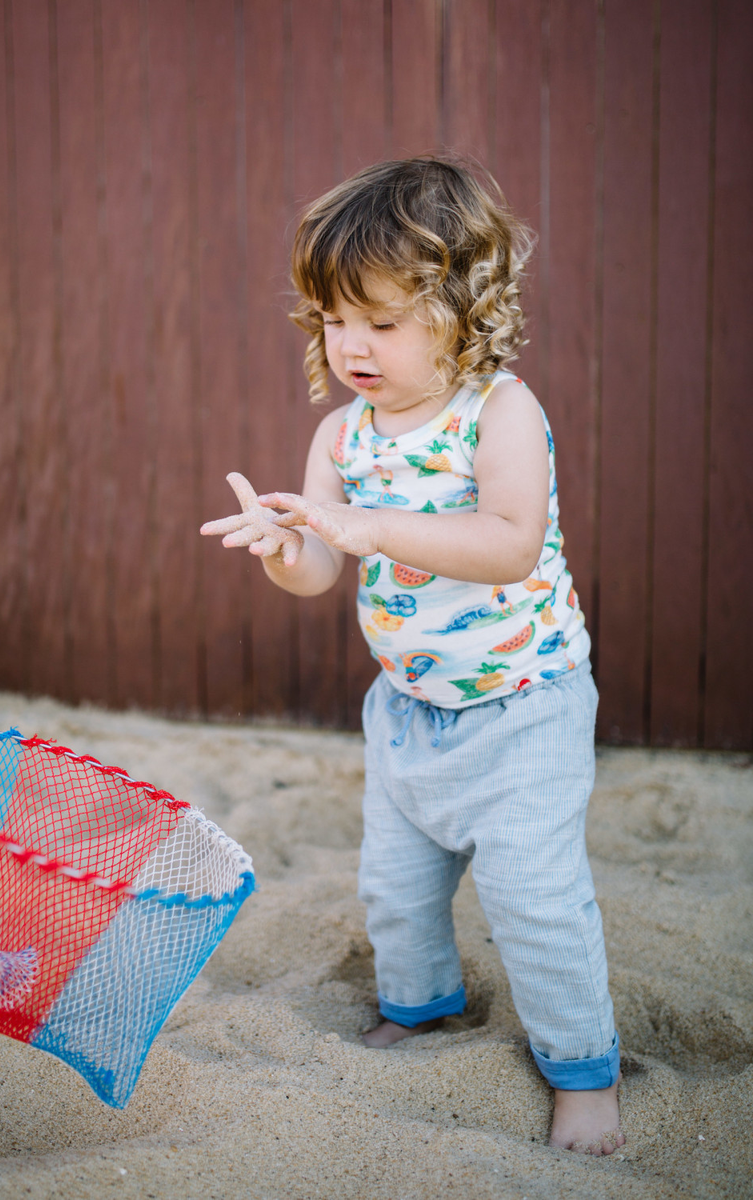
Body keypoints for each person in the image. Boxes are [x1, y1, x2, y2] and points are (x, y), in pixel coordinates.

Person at [201, 157, 624, 1155]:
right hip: (406, 708)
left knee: (532, 897)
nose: (351, 345)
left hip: (524, 703)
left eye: (381, 322)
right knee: (395, 885)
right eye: (331, 318)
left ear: (462, 309)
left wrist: (371, 528)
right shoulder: (342, 437)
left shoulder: (497, 412)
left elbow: (509, 541)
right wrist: (285, 547)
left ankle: (583, 1071)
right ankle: (421, 1004)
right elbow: (317, 571)